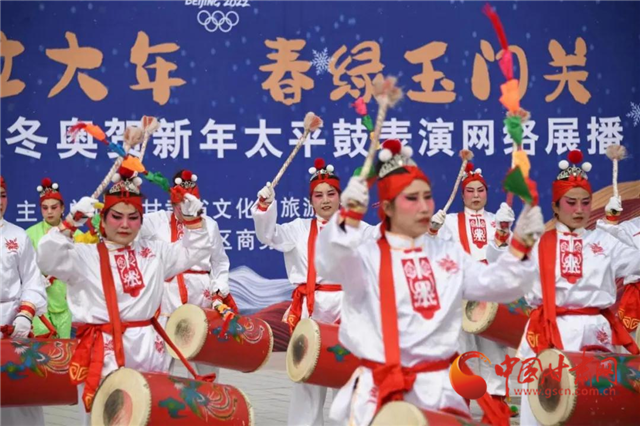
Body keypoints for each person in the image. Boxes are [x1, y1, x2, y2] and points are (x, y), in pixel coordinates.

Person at [314, 140, 544, 425]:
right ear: (387, 207)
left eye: (427, 196)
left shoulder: (447, 254)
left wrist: (522, 241)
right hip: (382, 392)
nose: (423, 207)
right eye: (412, 198)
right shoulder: (366, 256)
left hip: (440, 392)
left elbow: (501, 284)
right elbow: (329, 261)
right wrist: (347, 216)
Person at [36, 167, 211, 422]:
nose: (125, 225)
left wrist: (193, 221)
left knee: (149, 415)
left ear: (142, 220)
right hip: (103, 352)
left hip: (149, 349)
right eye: (117, 216)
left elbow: (194, 252)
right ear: (103, 218)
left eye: (133, 217)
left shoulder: (155, 252)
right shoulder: (84, 256)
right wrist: (69, 224)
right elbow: (47, 258)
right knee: (106, 417)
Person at [489, 150, 640, 425]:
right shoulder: (537, 244)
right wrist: (501, 233)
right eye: (571, 202)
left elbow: (636, 261)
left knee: (594, 408)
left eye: (585, 202)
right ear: (556, 207)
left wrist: (616, 229)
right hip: (549, 329)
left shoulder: (605, 242)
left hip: (596, 333)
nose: (579, 209)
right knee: (544, 408)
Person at [252, 158, 376, 426]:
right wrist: (264, 207)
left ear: (340, 197)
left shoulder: (360, 230)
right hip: (310, 309)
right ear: (311, 201)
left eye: (331, 193)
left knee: (348, 377)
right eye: (319, 195)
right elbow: (268, 235)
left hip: (347, 309)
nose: (326, 200)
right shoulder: (297, 229)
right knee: (306, 378)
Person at [429, 163, 516, 414]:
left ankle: (496, 408)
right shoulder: (449, 221)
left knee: (494, 351)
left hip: (490, 295)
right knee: (459, 351)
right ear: (462, 194)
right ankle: (459, 407)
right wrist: (432, 230)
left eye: (480, 190)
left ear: (487, 192)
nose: (476, 195)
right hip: (459, 294)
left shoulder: (498, 219)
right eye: (470, 190)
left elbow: (508, 259)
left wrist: (503, 232)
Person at [139, 169, 233, 378]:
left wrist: (219, 288)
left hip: (201, 296)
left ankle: (207, 397)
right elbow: (131, 228)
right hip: (166, 297)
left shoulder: (209, 225)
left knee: (206, 361)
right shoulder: (157, 221)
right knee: (160, 363)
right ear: (172, 202)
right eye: (180, 204)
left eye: (190, 204)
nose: (185, 209)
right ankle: (160, 395)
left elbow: (220, 261)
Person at [0, 176, 47, 426]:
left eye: (2, 195)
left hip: (12, 326)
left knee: (21, 398)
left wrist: (25, 315)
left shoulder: (18, 236)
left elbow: (33, 280)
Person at [25, 178, 75, 338]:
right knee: (42, 349)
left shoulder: (75, 235)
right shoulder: (29, 234)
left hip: (67, 301)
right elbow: (23, 269)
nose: (49, 212)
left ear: (63, 208)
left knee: (66, 349)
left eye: (54, 207)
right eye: (45, 208)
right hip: (40, 302)